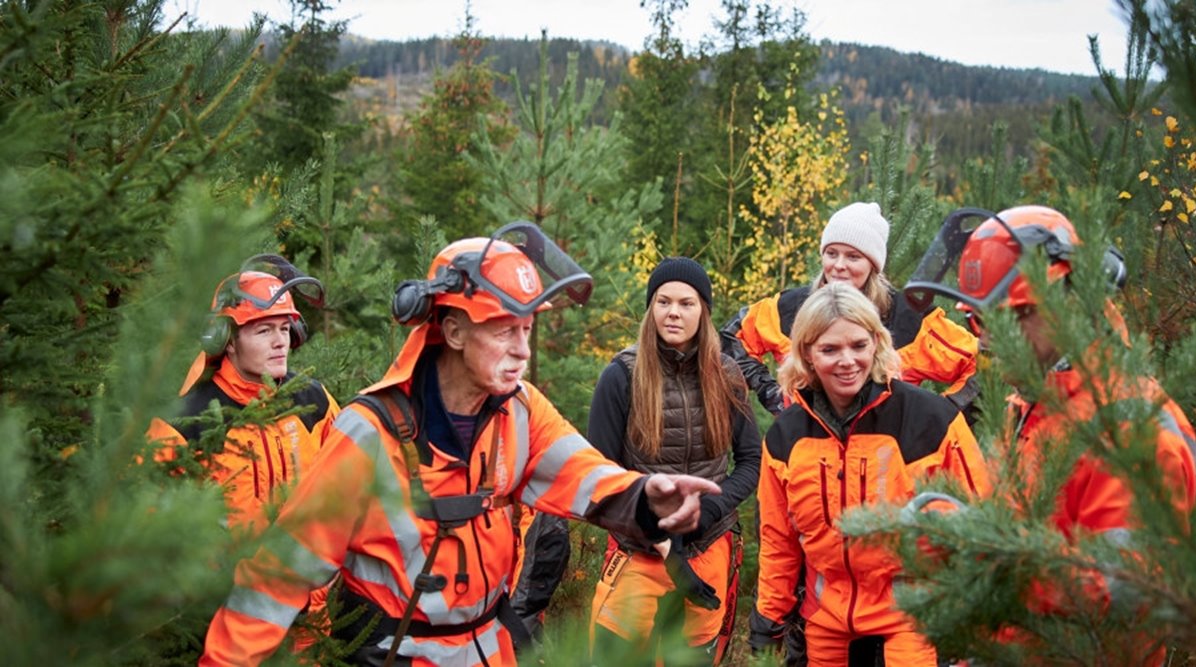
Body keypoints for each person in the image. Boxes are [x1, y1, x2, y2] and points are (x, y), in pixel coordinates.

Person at [198, 222, 721, 667]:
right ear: (450, 331)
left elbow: (585, 474)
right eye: (502, 331)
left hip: (490, 650)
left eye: (527, 329)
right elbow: (277, 578)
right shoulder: (370, 434)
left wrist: (647, 495)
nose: (521, 351)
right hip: (395, 654)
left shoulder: (520, 410)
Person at [901, 204, 1196, 664]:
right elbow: (1028, 529)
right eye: (979, 320)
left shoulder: (1131, 428)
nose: (988, 339)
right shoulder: (1034, 403)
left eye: (1013, 316)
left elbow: (1125, 590)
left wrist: (978, 552)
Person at [749, 282, 991, 666]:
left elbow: (981, 524)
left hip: (913, 616)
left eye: (859, 345)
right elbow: (779, 538)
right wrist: (769, 615)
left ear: (878, 343)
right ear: (808, 355)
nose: (848, 361)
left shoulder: (931, 420)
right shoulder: (786, 436)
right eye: (830, 349)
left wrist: (974, 623)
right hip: (827, 620)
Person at [586, 257, 760, 665]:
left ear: (704, 311)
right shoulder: (621, 376)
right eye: (663, 302)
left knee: (693, 656)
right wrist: (664, 542)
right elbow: (600, 477)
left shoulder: (727, 374)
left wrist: (709, 508)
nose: (674, 313)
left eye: (687, 303)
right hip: (638, 551)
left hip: (709, 548)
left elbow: (751, 460)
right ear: (651, 308)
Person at [721, 201, 979, 418]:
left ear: (873, 265)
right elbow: (731, 340)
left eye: (853, 257)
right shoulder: (789, 309)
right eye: (832, 253)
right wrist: (772, 394)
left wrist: (940, 416)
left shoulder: (909, 318)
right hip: (805, 457)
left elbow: (984, 368)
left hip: (886, 461)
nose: (839, 265)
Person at [147, 254, 339, 535]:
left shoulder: (314, 400)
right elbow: (144, 518)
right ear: (228, 341)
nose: (280, 343)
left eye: (285, 329)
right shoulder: (185, 423)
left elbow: (354, 480)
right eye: (264, 331)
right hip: (224, 578)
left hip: (310, 576)